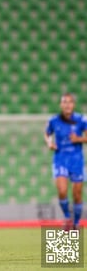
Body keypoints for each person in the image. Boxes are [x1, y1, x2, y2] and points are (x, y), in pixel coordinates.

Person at [44, 92, 87, 231]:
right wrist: (50, 143)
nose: (67, 104)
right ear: (61, 104)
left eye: (70, 102)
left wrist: (79, 139)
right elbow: (47, 133)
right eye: (64, 102)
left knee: (77, 194)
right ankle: (68, 218)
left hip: (76, 160)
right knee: (62, 191)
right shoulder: (54, 120)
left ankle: (76, 222)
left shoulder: (81, 119)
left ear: (73, 104)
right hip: (60, 159)